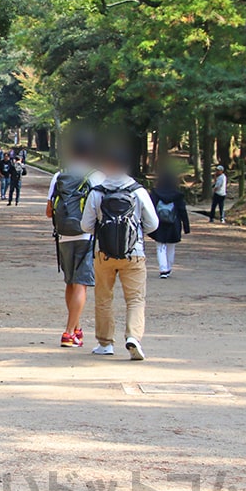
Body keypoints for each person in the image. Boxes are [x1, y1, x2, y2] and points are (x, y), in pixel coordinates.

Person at [81, 149, 159, 361]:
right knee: (135, 299)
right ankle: (133, 337)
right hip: (134, 253)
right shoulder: (138, 191)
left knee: (104, 298)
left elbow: (86, 226)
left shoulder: (97, 192)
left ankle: (105, 343)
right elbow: (153, 224)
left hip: (102, 254)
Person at [47, 137, 104, 348]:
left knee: (70, 282)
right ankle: (69, 332)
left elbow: (48, 211)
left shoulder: (59, 176)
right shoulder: (96, 176)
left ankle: (77, 328)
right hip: (86, 236)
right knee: (81, 284)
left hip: (63, 236)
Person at [148, 171, 190, 279]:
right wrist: (186, 226)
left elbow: (150, 209)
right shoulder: (177, 195)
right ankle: (169, 268)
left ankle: (163, 269)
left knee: (160, 246)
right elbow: (182, 210)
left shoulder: (155, 193)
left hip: (159, 223)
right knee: (171, 246)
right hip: (174, 223)